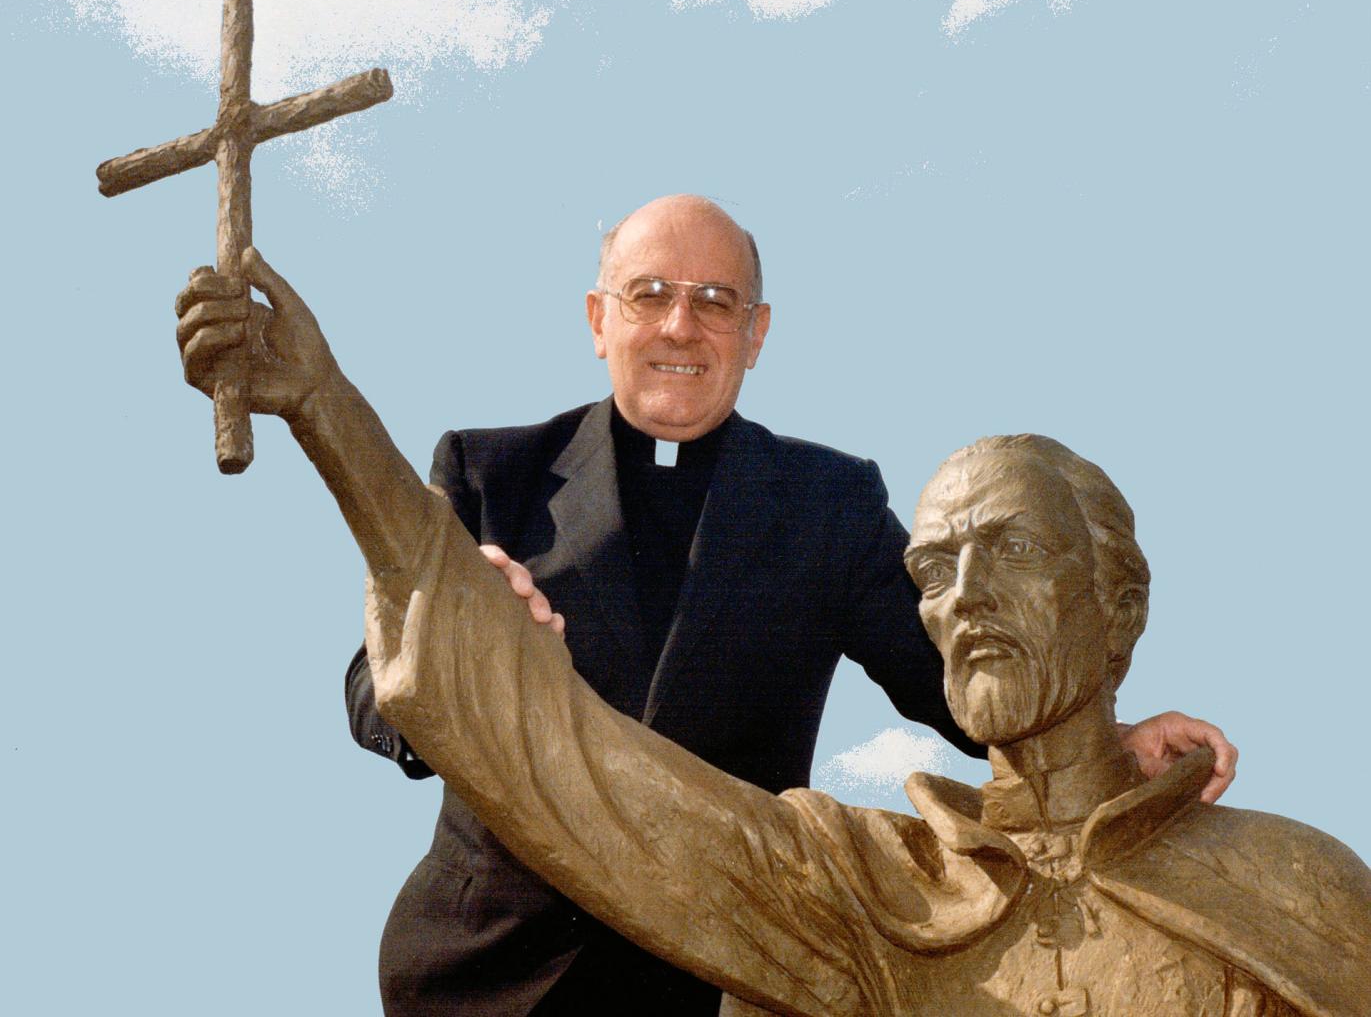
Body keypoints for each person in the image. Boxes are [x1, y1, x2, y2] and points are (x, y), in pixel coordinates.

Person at [174, 200, 1234, 1015]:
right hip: (487, 974)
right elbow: (371, 685)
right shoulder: (489, 469)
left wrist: (1119, 739)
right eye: (649, 294)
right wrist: (455, 658)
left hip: (716, 973)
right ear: (599, 318)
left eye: (716, 301)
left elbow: (954, 677)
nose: (682, 325)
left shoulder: (826, 501)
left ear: (757, 331)